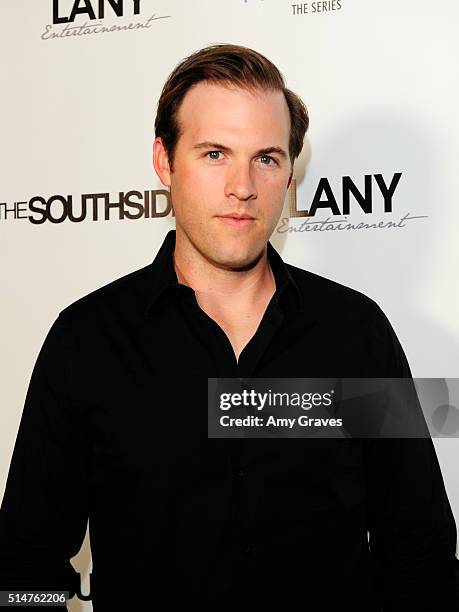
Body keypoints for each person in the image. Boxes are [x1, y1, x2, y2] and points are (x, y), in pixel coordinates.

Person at [0, 43, 457, 611]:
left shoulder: (355, 333)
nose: (243, 186)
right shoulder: (87, 341)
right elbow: (24, 562)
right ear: (165, 162)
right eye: (215, 153)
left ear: (290, 171)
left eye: (266, 158)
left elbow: (420, 550)